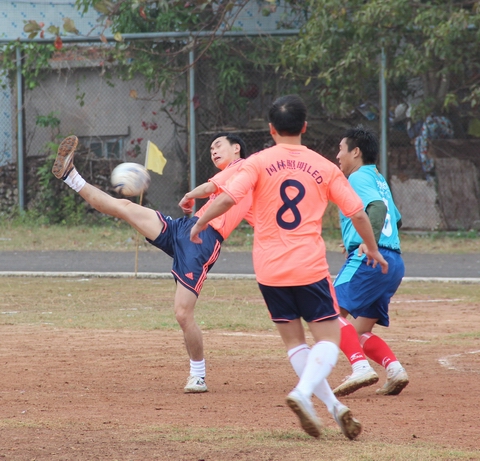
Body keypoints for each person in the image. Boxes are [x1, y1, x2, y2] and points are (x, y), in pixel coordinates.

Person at [189, 95, 388, 440]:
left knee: (295, 343)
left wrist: (200, 221)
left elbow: (228, 197)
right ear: (305, 127)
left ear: (271, 129)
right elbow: (357, 212)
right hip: (308, 266)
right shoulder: (323, 166)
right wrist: (372, 247)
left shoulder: (257, 162)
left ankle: (333, 407)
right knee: (328, 337)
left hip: (269, 268)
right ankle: (302, 392)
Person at [52, 132, 253, 394]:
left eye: (218, 145)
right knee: (124, 207)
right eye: (211, 148)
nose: (213, 151)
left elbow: (209, 189)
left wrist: (188, 195)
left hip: (202, 239)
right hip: (184, 228)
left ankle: (198, 375)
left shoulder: (243, 167)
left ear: (236, 148)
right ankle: (71, 176)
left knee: (182, 313)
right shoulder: (238, 177)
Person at [332, 126, 409, 397]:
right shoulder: (378, 178)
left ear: (356, 152)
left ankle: (360, 367)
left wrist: (369, 243)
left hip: (370, 261)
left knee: (327, 312)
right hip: (393, 261)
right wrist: (361, 238)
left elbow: (377, 208)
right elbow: (396, 219)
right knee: (359, 329)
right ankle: (395, 369)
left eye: (341, 149)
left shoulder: (358, 177)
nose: (338, 155)